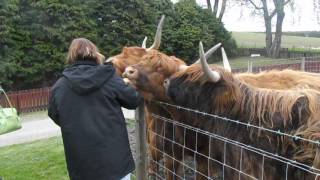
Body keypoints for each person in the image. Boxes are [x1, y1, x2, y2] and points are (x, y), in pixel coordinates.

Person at [48, 38, 142, 180]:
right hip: (115, 163)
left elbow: (54, 114)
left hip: (82, 167)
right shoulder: (110, 77)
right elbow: (133, 100)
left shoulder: (60, 86)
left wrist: (74, 123)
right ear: (95, 53)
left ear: (71, 56)